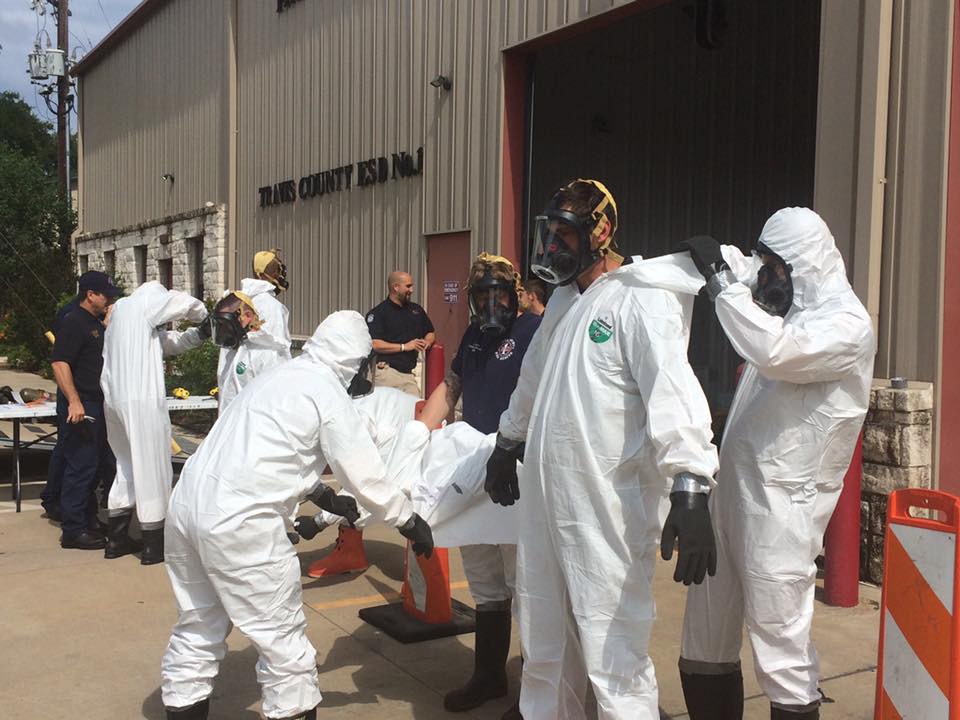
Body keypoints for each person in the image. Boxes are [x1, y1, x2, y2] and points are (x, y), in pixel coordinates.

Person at [484, 179, 720, 719]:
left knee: (613, 653)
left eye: (565, 234)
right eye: (551, 234)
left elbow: (673, 390)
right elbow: (532, 376)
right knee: (545, 639)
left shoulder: (641, 298)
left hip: (606, 507)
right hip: (549, 502)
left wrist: (690, 484)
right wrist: (507, 439)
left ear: (602, 230)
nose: (553, 247)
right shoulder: (566, 301)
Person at [160, 311, 435, 720]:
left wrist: (323, 496)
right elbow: (366, 475)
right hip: (241, 521)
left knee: (197, 626)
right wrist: (407, 519)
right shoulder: (327, 392)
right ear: (354, 360)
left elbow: (271, 451)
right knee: (283, 645)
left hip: (186, 509)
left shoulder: (278, 377)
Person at [677, 209, 876, 720]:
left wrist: (721, 284)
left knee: (781, 650)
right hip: (733, 496)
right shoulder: (787, 304)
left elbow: (776, 353)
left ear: (804, 267)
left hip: (783, 510)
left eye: (774, 268)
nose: (764, 277)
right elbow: (743, 270)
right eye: (764, 265)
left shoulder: (845, 326)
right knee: (704, 638)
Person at [413, 252, 541, 714]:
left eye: (499, 294)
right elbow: (450, 389)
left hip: (517, 472)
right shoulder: (471, 337)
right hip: (475, 470)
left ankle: (536, 691)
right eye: (482, 295)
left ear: (516, 294)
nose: (491, 304)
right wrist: (416, 433)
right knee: (485, 582)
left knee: (525, 583)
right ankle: (488, 676)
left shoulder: (534, 332)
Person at [101, 281, 209, 564]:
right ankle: (153, 544)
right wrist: (205, 315)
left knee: (126, 466)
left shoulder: (122, 313)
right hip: (141, 400)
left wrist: (199, 335)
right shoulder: (148, 303)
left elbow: (167, 344)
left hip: (114, 401)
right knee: (152, 467)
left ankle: (116, 539)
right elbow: (186, 303)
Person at [46, 271, 121, 549]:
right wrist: (74, 401)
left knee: (96, 466)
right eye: (106, 296)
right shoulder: (73, 322)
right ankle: (73, 529)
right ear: (90, 294)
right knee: (81, 465)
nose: (109, 300)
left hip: (97, 403)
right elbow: (60, 363)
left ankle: (88, 519)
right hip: (83, 404)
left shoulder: (94, 322)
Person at [215, 250, 293, 412]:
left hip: (231, 384)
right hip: (257, 385)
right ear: (274, 273)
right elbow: (278, 351)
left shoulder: (236, 301)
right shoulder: (272, 307)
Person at [212, 290, 284, 413]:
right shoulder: (233, 351)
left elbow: (271, 406)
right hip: (230, 427)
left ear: (248, 316)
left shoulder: (266, 354)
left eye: (226, 324)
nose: (223, 330)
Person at [365, 270, 435, 396]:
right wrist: (405, 347)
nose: (412, 290)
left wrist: (427, 342)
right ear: (395, 287)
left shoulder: (416, 310)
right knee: (387, 413)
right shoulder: (379, 313)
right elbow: (375, 344)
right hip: (386, 373)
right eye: (408, 286)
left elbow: (430, 332)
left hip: (408, 375)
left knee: (414, 410)